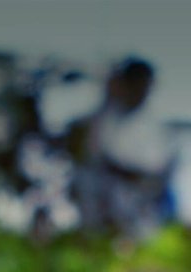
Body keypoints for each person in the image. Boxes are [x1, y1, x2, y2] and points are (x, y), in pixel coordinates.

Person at [69, 57, 173, 238]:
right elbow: (87, 155)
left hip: (137, 213)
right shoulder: (103, 118)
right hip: (100, 212)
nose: (141, 91)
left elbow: (154, 174)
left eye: (145, 85)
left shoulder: (155, 125)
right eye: (135, 84)